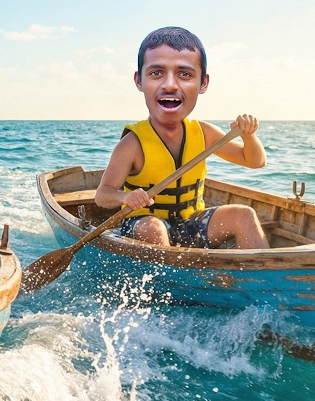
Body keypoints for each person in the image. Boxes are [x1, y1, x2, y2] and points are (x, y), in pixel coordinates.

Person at [94, 26, 270, 249]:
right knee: (154, 229)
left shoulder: (203, 132)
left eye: (184, 74)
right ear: (139, 81)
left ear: (203, 83)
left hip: (190, 223)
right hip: (143, 223)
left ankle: (257, 271)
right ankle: (172, 272)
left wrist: (249, 137)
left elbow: (255, 161)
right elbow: (103, 195)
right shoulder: (132, 144)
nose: (170, 85)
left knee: (244, 215)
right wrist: (124, 198)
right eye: (156, 73)